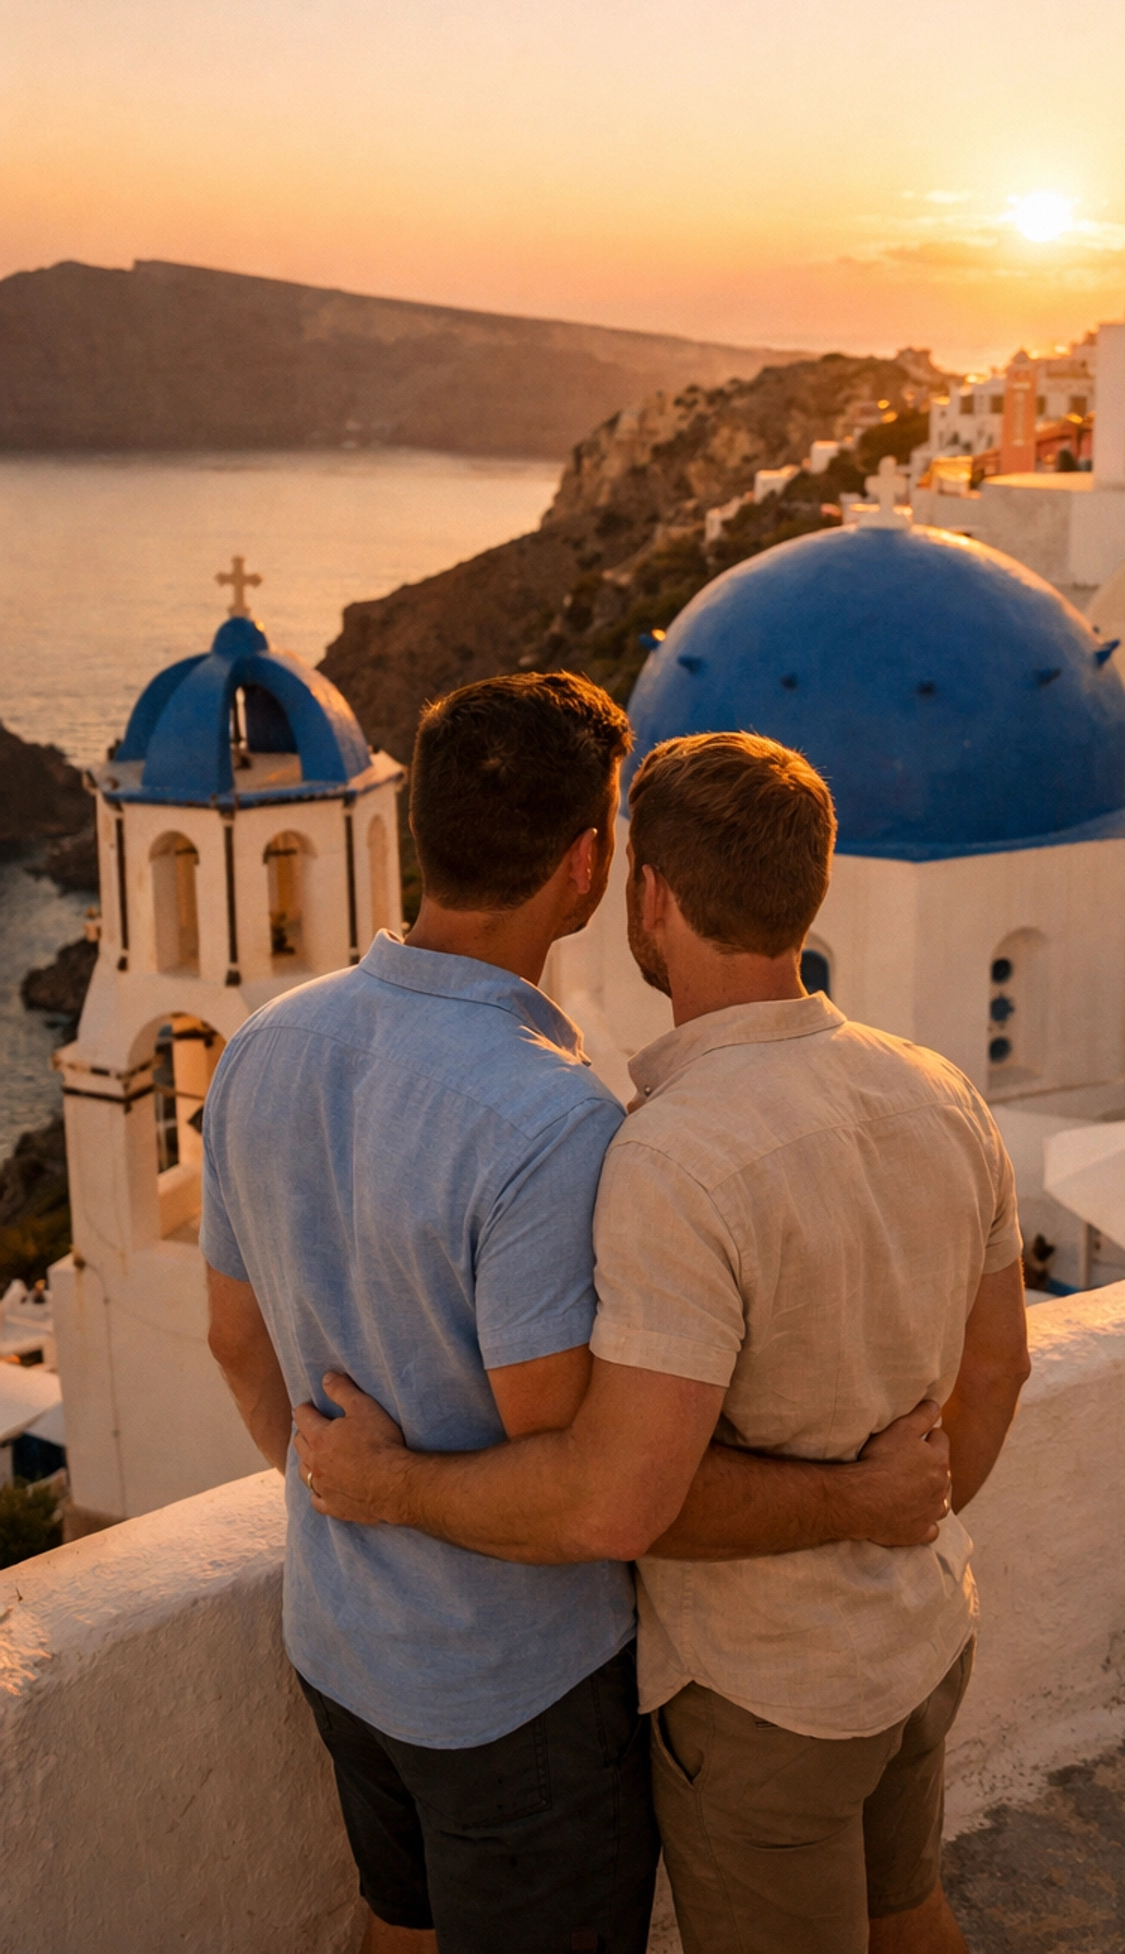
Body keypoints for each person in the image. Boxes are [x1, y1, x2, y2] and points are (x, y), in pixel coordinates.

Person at [203, 679, 949, 1954]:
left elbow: (234, 1335)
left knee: (400, 1927)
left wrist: (342, 1495)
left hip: (338, 1640)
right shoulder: (552, 1124)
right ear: (590, 864)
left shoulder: (263, 1045)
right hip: (515, 1690)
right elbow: (575, 1479)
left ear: (413, 833)